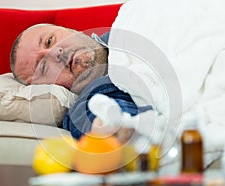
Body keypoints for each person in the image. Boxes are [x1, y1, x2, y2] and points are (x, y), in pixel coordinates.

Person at [10, 23, 152, 142]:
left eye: (49, 41)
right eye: (43, 66)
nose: (55, 53)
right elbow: (115, 128)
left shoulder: (131, 25)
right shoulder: (85, 109)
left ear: (68, 29)